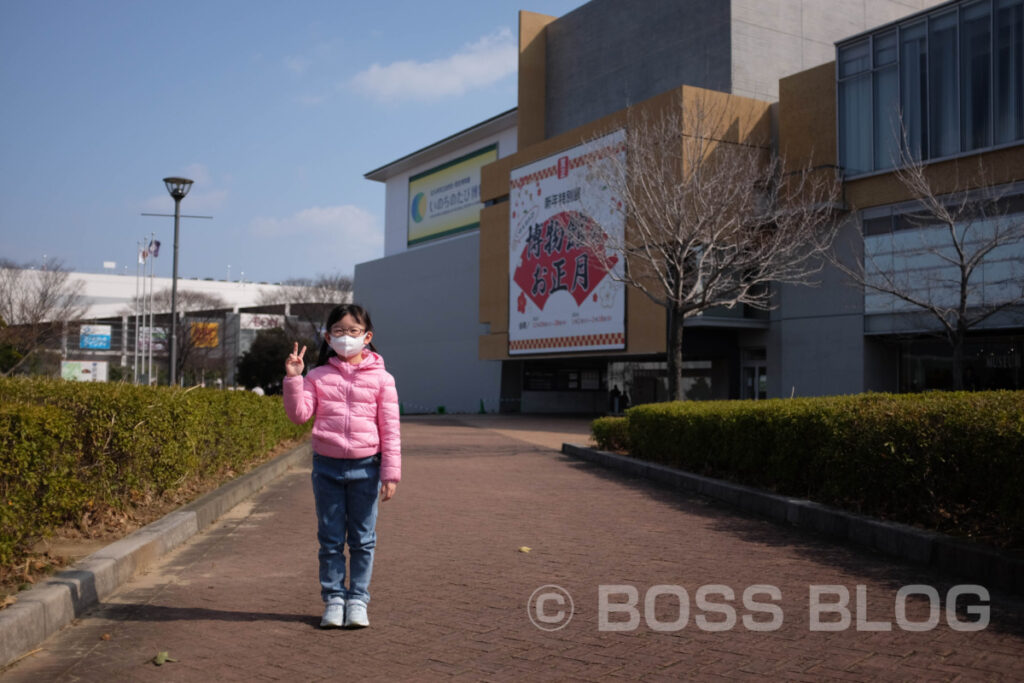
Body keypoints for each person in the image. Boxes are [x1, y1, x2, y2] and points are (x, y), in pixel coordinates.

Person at [283, 303, 401, 629]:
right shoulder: (317, 376)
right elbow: (299, 415)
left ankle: (358, 599)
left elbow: (390, 429)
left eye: (353, 331)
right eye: (339, 331)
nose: (346, 337)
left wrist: (390, 474)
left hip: (367, 467)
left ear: (367, 336)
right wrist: (294, 379)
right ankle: (334, 599)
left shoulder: (382, 379)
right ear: (327, 336)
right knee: (331, 539)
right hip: (327, 469)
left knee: (363, 540)